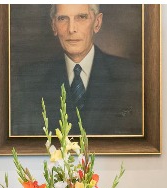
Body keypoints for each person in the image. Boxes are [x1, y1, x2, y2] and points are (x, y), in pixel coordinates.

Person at [11, 4, 142, 136]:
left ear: (97, 23)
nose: (71, 29)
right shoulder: (28, 79)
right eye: (63, 18)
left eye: (81, 17)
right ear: (54, 26)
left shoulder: (130, 75)